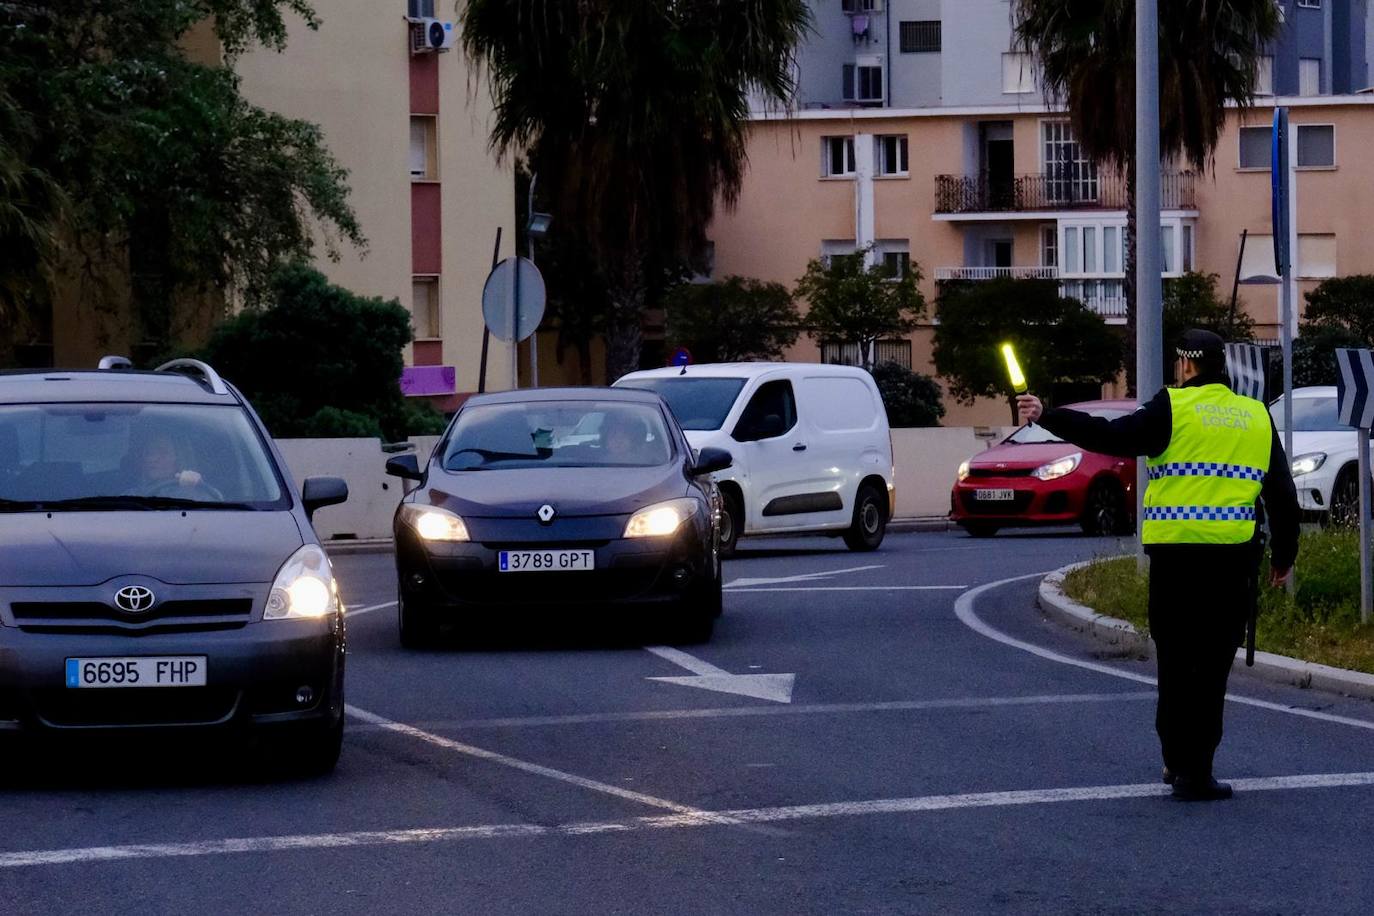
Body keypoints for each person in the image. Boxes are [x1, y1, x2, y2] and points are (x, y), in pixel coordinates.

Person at [1017, 329, 1299, 802]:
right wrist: (1284, 556)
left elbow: (1111, 436)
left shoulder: (1173, 407)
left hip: (1175, 563)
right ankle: (1199, 771)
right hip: (1233, 563)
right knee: (1212, 670)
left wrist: (1050, 416)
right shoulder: (1255, 415)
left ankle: (1175, 759)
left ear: (1186, 366)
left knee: (1175, 662)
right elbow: (1282, 494)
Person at [132, 432, 203, 493]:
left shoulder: (201, 496)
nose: (152, 458)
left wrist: (191, 490)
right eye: (149, 452)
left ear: (178, 459)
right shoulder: (130, 497)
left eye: (163, 452)